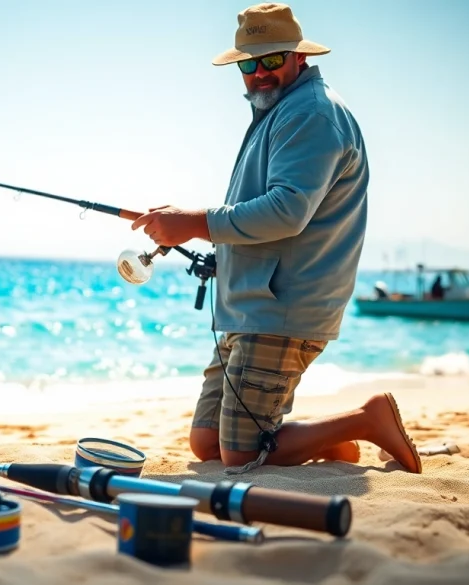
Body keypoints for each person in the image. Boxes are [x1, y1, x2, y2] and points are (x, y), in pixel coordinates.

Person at [130, 3, 422, 474]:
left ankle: (367, 420)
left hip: (282, 309)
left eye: (272, 60)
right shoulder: (282, 109)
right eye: (250, 63)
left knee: (241, 456)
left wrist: (197, 221)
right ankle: (325, 444)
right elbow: (270, 214)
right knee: (207, 443)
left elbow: (287, 211)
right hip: (252, 304)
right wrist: (213, 244)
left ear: (298, 58)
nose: (260, 73)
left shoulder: (310, 114)